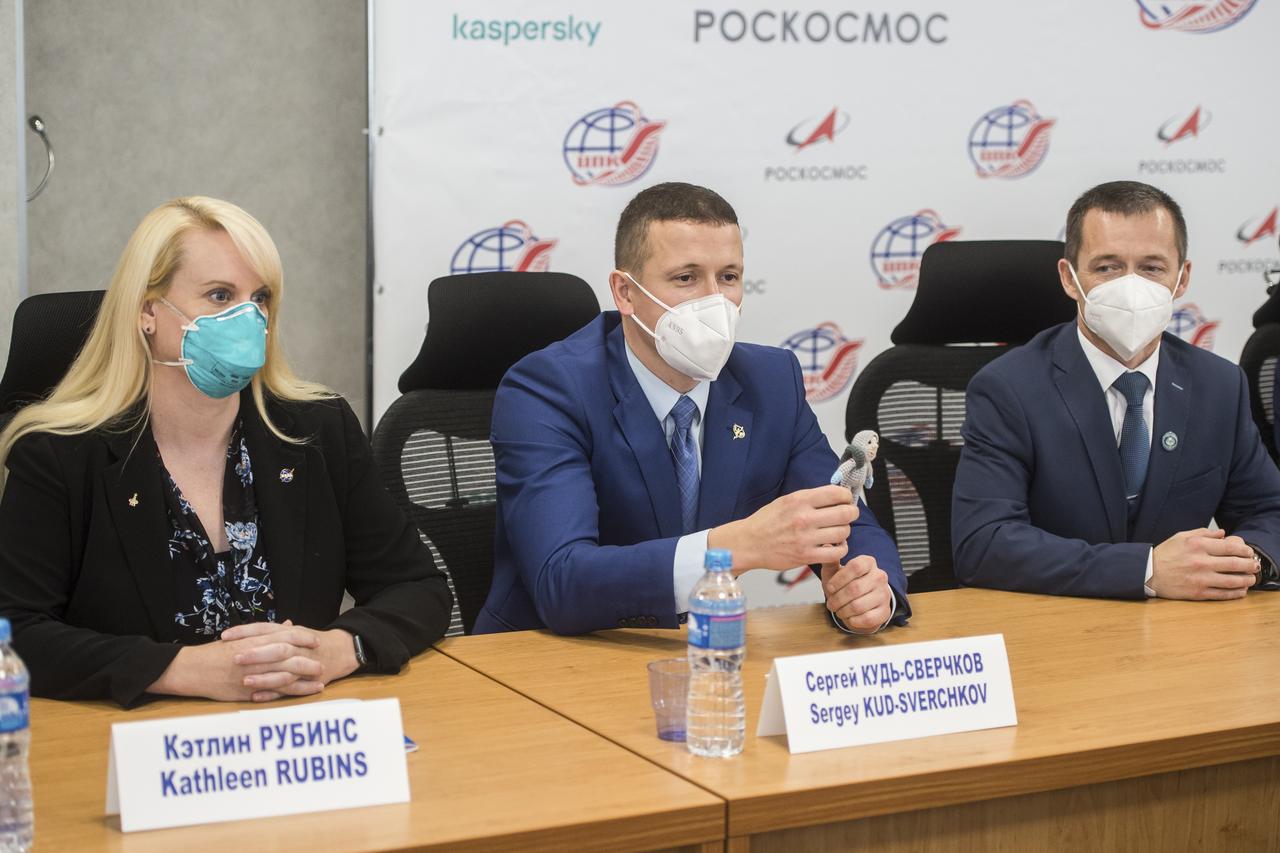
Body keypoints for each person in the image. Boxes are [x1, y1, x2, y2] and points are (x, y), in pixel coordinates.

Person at [0, 197, 453, 707]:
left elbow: (419, 588)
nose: (246, 318)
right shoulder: (59, 453)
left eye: (258, 298)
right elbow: (15, 632)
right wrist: (178, 669)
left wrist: (336, 649)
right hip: (135, 747)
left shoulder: (316, 430)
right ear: (148, 311)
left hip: (297, 735)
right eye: (219, 295)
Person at [476, 182, 909, 635]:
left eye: (728, 277)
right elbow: (561, 580)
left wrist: (870, 592)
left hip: (702, 654)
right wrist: (738, 546)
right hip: (542, 659)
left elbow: (839, 517)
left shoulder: (771, 380)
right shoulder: (548, 388)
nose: (715, 302)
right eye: (686, 278)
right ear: (625, 292)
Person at [953, 180, 1280, 599]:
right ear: (1070, 279)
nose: (1130, 286)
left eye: (1152, 267)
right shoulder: (1007, 389)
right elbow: (984, 544)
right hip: (1055, 631)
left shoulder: (1220, 385)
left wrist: (1246, 561)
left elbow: (1268, 511)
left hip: (1184, 635)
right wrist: (1146, 570)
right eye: (1107, 267)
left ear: (1182, 279)